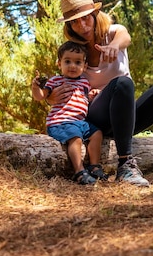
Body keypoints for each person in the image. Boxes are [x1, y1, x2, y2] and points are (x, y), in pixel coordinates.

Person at [46, 0, 153, 187]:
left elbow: (124, 37)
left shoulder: (114, 32)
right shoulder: (74, 52)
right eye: (74, 22)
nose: (81, 25)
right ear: (69, 26)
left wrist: (115, 46)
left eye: (85, 18)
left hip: (125, 117)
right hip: (95, 120)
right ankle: (126, 165)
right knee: (122, 82)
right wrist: (50, 97)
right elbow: (60, 83)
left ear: (94, 15)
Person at [31, 41, 107, 185]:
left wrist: (92, 96)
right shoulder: (56, 81)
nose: (73, 66)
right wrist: (36, 88)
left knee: (97, 134)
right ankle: (79, 171)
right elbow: (40, 96)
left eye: (78, 62)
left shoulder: (85, 82)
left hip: (80, 122)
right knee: (76, 138)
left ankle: (95, 166)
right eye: (68, 61)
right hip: (60, 122)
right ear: (59, 64)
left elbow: (84, 100)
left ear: (84, 66)